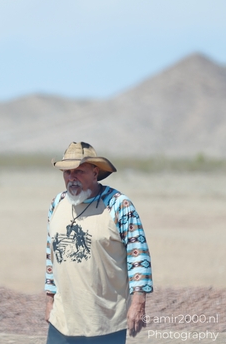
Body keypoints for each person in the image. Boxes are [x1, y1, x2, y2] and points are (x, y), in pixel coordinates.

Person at [45, 141, 153, 344]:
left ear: (95, 173)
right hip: (62, 321)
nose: (72, 178)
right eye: (67, 172)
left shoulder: (118, 205)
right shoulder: (56, 204)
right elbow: (51, 255)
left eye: (79, 171)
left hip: (104, 322)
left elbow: (138, 255)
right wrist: (50, 298)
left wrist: (138, 302)